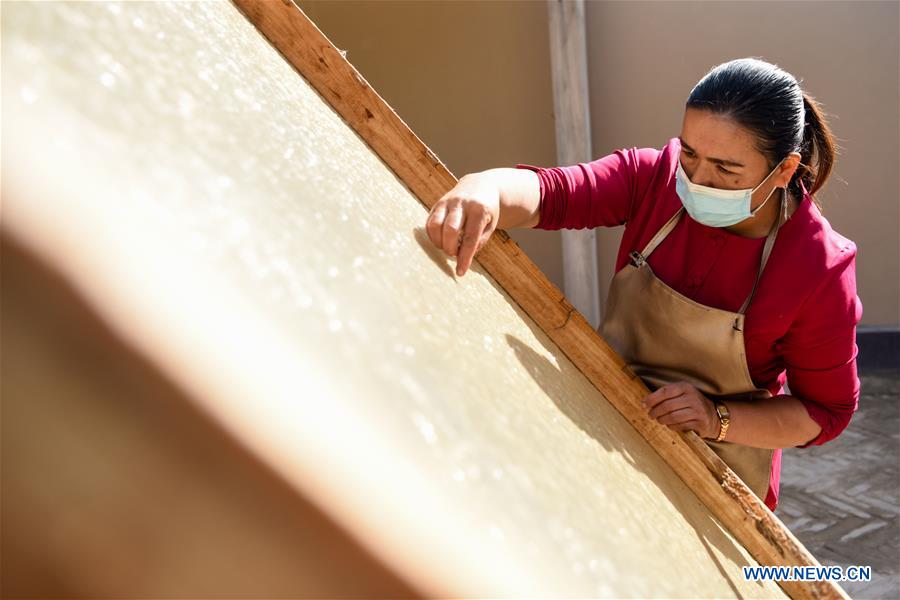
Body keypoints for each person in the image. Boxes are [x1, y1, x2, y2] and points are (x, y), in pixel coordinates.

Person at [424, 58, 862, 512]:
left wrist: (717, 419)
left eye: (727, 170)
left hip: (714, 472)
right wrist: (485, 188)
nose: (697, 179)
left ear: (786, 170)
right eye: (690, 154)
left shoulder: (818, 267)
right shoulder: (656, 178)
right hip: (606, 415)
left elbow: (824, 413)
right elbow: (551, 194)